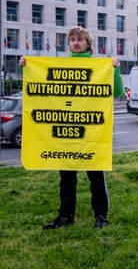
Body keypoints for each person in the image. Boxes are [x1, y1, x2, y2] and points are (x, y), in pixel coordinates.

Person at [19, 26, 119, 229]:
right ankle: (65, 217)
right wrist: (26, 67)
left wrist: (115, 71)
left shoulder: (100, 66)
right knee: (66, 179)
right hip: (65, 135)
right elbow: (39, 90)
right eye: (72, 39)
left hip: (91, 135)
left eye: (80, 40)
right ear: (68, 43)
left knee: (97, 179)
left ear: (87, 44)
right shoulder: (58, 65)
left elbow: (116, 92)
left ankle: (101, 216)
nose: (75, 43)